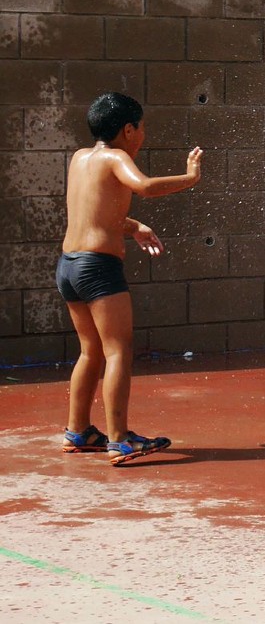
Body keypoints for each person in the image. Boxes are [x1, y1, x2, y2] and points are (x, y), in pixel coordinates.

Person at [58, 93, 202, 465]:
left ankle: (78, 431)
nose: (143, 134)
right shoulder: (115, 157)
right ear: (128, 129)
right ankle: (120, 439)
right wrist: (190, 177)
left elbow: (94, 214)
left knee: (90, 351)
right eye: (141, 127)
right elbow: (145, 186)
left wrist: (134, 226)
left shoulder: (80, 158)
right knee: (117, 350)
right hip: (97, 270)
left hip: (69, 266)